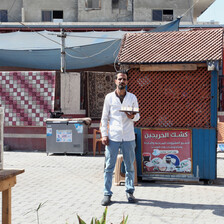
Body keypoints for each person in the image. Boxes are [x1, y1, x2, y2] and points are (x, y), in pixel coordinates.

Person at [100, 71, 140, 206]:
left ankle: (130, 192)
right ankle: (107, 194)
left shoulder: (132, 97)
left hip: (128, 136)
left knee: (129, 165)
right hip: (113, 136)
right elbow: (104, 118)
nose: (122, 81)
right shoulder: (109, 98)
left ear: (127, 82)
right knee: (109, 166)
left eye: (124, 79)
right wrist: (104, 134)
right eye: (120, 79)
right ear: (115, 81)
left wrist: (132, 117)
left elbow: (138, 116)